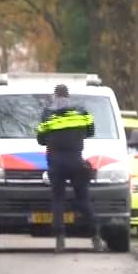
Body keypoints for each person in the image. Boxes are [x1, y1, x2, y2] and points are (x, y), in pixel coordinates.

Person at [35, 83, 102, 252]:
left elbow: (40, 139)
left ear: (55, 96)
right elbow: (90, 131)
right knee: (83, 199)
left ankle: (60, 239)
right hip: (76, 161)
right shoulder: (81, 112)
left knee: (58, 200)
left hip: (56, 163)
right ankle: (95, 237)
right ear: (68, 96)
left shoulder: (48, 115)